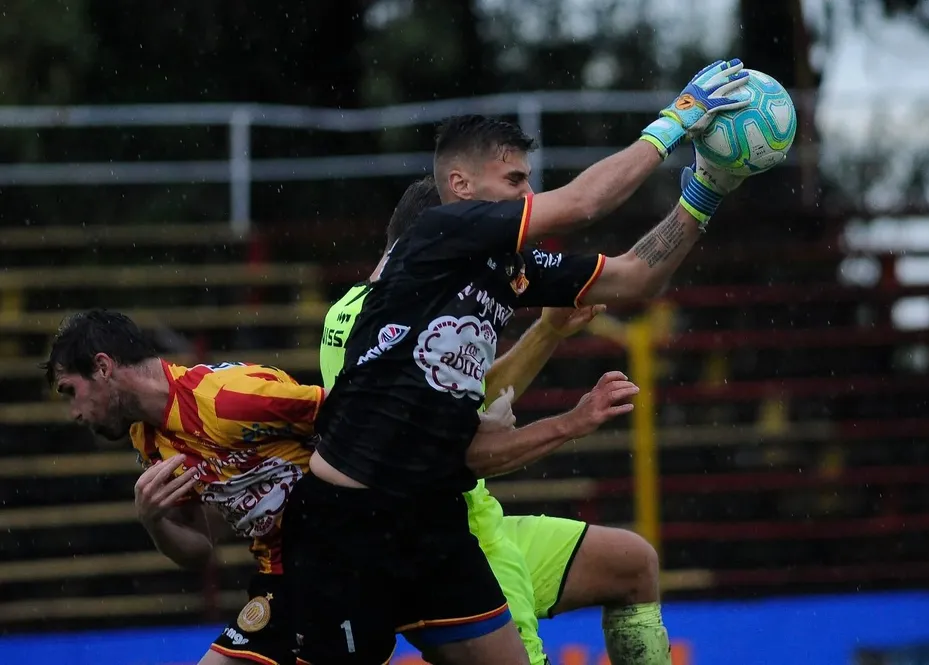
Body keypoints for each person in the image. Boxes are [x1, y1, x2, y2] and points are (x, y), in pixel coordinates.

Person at [285, 58, 756, 665]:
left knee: (626, 568)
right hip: (347, 528)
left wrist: (707, 191)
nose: (529, 195)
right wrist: (677, 120)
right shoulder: (438, 234)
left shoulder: (510, 270)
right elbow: (585, 204)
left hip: (434, 524)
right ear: (461, 188)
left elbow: (638, 278)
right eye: (515, 181)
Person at [44, 309, 635, 665]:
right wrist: (154, 521)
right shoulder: (148, 440)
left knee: (630, 566)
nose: (73, 412)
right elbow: (200, 550)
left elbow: (362, 416)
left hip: (376, 549)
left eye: (70, 391)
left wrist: (481, 427)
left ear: (103, 367)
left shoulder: (229, 399)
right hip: (292, 578)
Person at [321, 177, 662, 665]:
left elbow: (468, 395)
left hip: (480, 520)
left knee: (630, 564)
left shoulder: (395, 307)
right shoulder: (376, 316)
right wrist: (570, 422)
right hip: (447, 540)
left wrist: (547, 332)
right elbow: (444, 453)